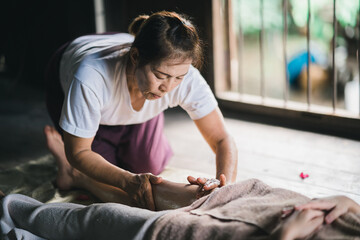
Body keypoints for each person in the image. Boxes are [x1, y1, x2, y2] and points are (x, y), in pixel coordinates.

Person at [44, 11, 238, 211]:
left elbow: (222, 138)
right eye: (160, 75)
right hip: (68, 74)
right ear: (135, 57)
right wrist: (127, 181)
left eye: (178, 78)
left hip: (137, 91)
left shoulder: (183, 77)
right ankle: (75, 174)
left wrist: (224, 187)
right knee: (117, 182)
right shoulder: (90, 76)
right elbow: (79, 152)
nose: (168, 87)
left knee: (147, 168)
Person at [1, 177, 360, 240]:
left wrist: (286, 236)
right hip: (267, 203)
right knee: (160, 189)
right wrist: (348, 203)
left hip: (243, 231)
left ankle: (18, 213)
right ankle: (76, 176)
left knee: (100, 218)